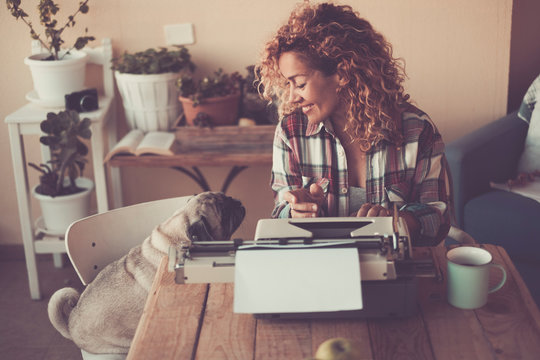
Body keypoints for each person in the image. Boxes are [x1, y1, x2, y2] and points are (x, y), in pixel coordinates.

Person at [256, 2, 452, 246]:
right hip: (318, 267)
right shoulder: (290, 132)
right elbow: (278, 216)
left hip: (393, 269)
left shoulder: (417, 130)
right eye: (288, 84)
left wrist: (397, 220)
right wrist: (294, 212)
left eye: (300, 83)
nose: (292, 97)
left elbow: (439, 218)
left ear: (342, 73)